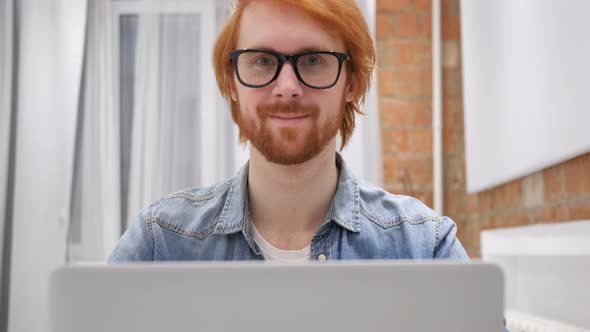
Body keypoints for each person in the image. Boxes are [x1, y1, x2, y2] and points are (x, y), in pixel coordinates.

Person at [108, 0, 469, 263]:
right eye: (263, 60)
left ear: (352, 84)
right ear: (231, 82)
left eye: (312, 61)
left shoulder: (425, 247)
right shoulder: (160, 244)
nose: (287, 87)